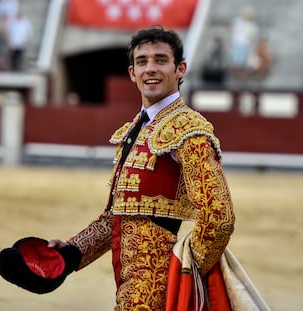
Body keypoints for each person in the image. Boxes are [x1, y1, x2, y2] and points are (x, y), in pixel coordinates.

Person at [48, 26, 236, 310]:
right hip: (129, 284)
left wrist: (186, 271)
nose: (151, 68)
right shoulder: (136, 130)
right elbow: (116, 218)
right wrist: (72, 252)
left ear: (180, 69)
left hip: (163, 288)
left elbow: (218, 218)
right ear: (132, 73)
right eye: (142, 61)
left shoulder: (190, 130)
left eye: (161, 60)